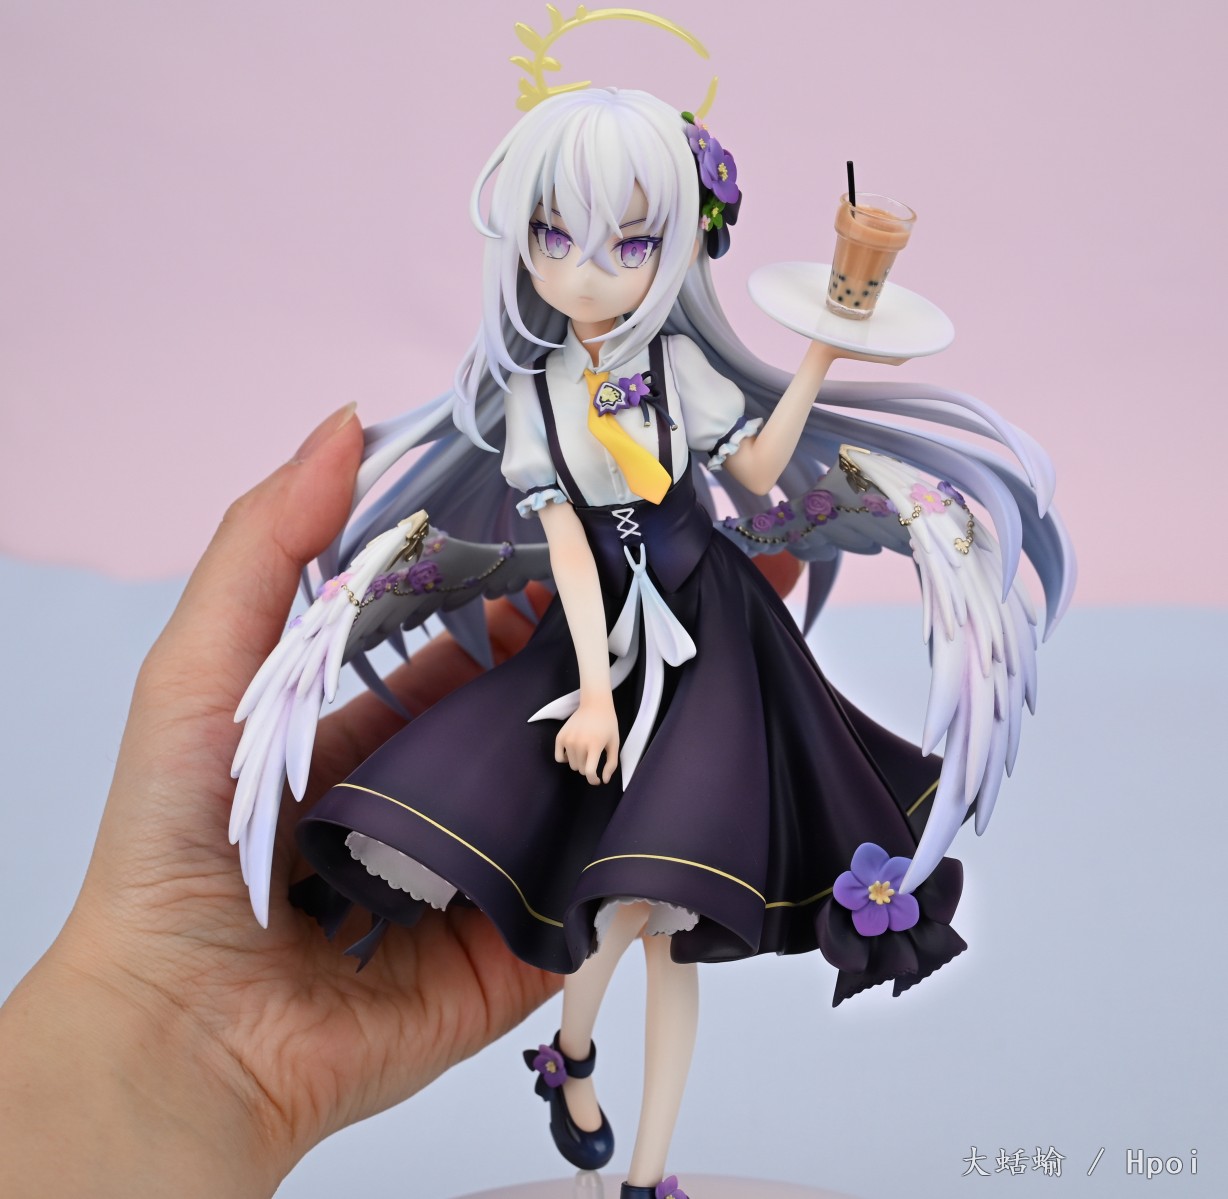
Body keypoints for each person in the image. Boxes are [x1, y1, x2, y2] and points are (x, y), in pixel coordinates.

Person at [229, 89, 1072, 1199]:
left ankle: (644, 1173)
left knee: (667, 912)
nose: (585, 272)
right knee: (607, 894)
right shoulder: (537, 395)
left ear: (678, 249)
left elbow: (754, 473)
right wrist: (592, 691)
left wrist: (819, 355)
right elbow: (572, 556)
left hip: (718, 632)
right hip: (606, 646)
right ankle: (573, 1055)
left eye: (629, 244)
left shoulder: (680, 370)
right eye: (553, 235)